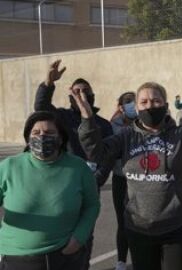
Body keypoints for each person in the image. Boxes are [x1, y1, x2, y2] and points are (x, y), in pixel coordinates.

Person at [74, 82, 182, 270]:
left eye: (156, 101)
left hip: (176, 228)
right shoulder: (126, 136)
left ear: (166, 106)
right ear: (136, 108)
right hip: (139, 228)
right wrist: (87, 119)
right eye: (144, 102)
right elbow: (97, 152)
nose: (150, 106)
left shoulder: (180, 133)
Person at [34, 59, 113, 270]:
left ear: (92, 95)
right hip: (60, 190)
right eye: (76, 91)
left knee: (84, 239)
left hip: (87, 192)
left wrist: (91, 182)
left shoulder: (103, 125)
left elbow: (106, 159)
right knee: (59, 239)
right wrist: (47, 84)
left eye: (85, 91)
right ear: (70, 96)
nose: (81, 95)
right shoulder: (63, 117)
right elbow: (41, 108)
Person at [0, 111, 100, 270]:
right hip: (17, 259)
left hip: (65, 256)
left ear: (60, 138)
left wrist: (79, 237)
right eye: (36, 132)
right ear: (28, 137)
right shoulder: (9, 167)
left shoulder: (78, 167)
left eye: (49, 132)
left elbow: (92, 205)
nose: (41, 137)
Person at [110, 91, 136, 270]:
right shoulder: (114, 125)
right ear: (121, 107)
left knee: (141, 221)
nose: (133, 107)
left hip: (140, 179)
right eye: (129, 104)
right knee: (123, 221)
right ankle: (121, 260)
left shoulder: (145, 123)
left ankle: (141, 255)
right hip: (121, 178)